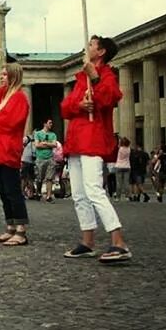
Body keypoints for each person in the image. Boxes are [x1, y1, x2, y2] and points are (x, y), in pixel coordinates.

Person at [61, 36, 131, 264]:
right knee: (79, 195)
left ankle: (118, 242)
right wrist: (79, 105)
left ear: (100, 52)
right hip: (76, 140)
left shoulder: (107, 75)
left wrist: (96, 77)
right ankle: (87, 241)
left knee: (93, 190)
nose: (86, 47)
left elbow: (109, 98)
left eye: (91, 45)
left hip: (92, 139)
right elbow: (65, 108)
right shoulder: (81, 78)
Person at [0, 63, 31, 246]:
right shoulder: (2, 97)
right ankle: (10, 226)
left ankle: (21, 229)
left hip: (8, 148)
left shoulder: (19, 98)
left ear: (13, 76)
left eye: (4, 74)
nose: (1, 77)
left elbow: (9, 123)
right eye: (1, 74)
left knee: (12, 190)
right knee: (3, 191)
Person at [34, 119, 57, 202]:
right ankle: (38, 193)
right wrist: (49, 145)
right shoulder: (38, 133)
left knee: (49, 178)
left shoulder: (53, 134)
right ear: (45, 124)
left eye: (52, 123)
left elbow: (55, 145)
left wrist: (45, 143)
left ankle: (48, 196)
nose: (51, 124)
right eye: (50, 123)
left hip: (50, 158)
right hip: (40, 158)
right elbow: (37, 145)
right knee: (39, 178)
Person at [20, 134, 36, 200]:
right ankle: (31, 194)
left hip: (25, 160)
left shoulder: (27, 138)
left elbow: (22, 144)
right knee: (30, 178)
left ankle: (22, 193)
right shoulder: (39, 139)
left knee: (23, 178)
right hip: (32, 161)